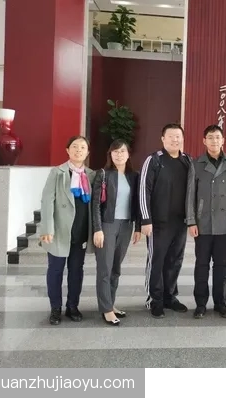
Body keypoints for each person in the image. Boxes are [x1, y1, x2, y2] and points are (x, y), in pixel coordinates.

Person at [139, 123, 196, 318]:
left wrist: (192, 219)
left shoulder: (187, 160)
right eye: (171, 136)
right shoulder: (154, 160)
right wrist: (146, 219)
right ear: (163, 139)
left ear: (183, 138)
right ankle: (154, 299)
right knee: (157, 260)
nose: (175, 139)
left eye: (178, 136)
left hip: (180, 222)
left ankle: (169, 296)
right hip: (158, 223)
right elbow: (144, 190)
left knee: (175, 260)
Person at [39, 135, 95, 325]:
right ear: (67, 150)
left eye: (82, 147)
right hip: (59, 231)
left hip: (80, 231)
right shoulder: (58, 172)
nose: (78, 150)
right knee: (55, 270)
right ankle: (55, 308)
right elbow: (47, 201)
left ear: (88, 152)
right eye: (75, 147)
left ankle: (73, 306)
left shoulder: (91, 175)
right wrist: (47, 228)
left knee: (76, 271)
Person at [187, 125, 226, 319]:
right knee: (201, 264)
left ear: (223, 140)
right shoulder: (196, 164)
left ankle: (220, 303)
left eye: (217, 137)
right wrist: (191, 221)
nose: (214, 141)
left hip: (224, 223)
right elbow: (190, 195)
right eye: (210, 137)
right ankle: (200, 304)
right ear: (204, 141)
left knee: (221, 264)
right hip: (203, 223)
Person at [91, 139, 142, 326]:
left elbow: (138, 203)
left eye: (122, 151)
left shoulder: (133, 176)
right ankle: (106, 310)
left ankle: (110, 304)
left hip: (126, 226)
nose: (119, 155)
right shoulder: (103, 174)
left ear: (128, 155)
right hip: (107, 225)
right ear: (110, 155)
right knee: (105, 268)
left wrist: (138, 227)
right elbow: (96, 205)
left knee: (116, 269)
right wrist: (98, 229)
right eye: (115, 152)